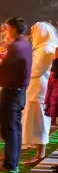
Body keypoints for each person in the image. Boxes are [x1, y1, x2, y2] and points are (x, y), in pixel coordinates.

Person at [0, 17, 33, 173]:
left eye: (7, 28)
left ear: (12, 29)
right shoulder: (25, 44)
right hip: (20, 92)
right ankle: (12, 162)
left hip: (12, 92)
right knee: (15, 128)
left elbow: (6, 70)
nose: (5, 31)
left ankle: (11, 164)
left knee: (10, 128)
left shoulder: (16, 47)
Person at [21, 22, 58, 164]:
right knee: (34, 121)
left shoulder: (46, 49)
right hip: (35, 90)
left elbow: (36, 70)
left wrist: (23, 68)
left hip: (40, 91)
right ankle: (37, 151)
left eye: (33, 31)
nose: (31, 35)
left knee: (40, 122)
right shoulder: (41, 48)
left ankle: (40, 154)